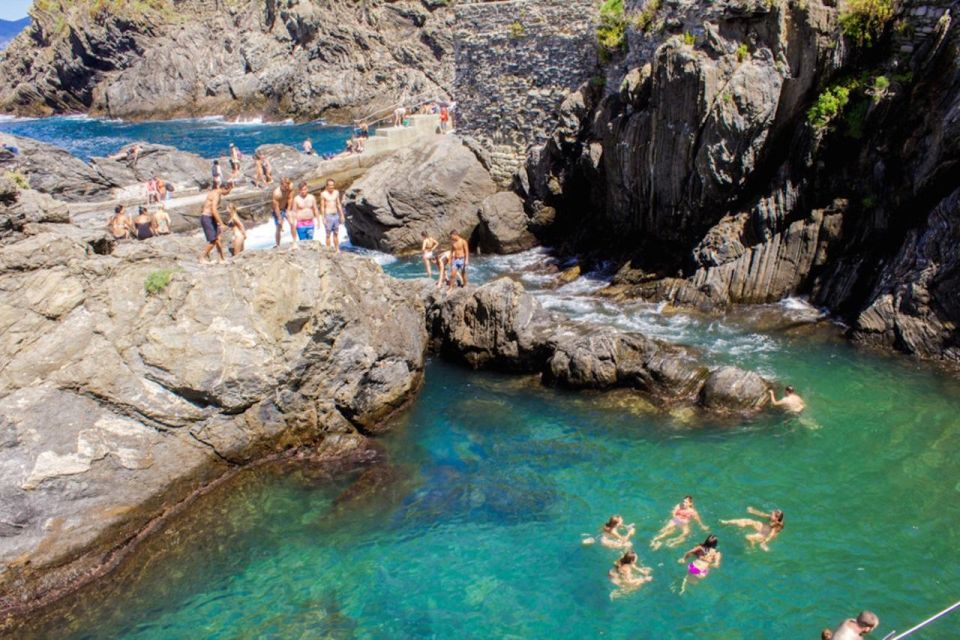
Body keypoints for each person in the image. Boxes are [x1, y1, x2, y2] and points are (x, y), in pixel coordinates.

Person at [720, 507, 785, 551]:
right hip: (764, 527)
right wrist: (753, 511)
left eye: (772, 514)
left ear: (776, 518)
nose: (770, 515)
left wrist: (764, 542)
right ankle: (727, 522)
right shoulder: (771, 518)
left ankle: (752, 548)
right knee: (748, 521)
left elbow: (772, 535)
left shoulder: (777, 526)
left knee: (747, 537)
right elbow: (762, 514)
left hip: (766, 533)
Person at [199, 184, 232, 263]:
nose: (228, 193)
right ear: (224, 188)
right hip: (207, 218)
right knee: (213, 240)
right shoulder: (216, 195)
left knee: (218, 239)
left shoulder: (214, 192)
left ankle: (221, 258)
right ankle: (201, 258)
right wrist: (221, 223)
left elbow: (207, 205)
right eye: (229, 191)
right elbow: (214, 210)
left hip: (210, 218)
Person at [319, 179, 345, 253]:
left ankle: (337, 249)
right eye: (330, 185)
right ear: (327, 186)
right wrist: (323, 217)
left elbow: (338, 204)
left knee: (336, 233)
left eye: (333, 185)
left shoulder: (336, 192)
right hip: (328, 216)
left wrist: (342, 215)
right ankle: (328, 250)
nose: (331, 187)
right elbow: (322, 206)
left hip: (336, 215)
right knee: (328, 234)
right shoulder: (323, 194)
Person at [271, 177, 295, 248]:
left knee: (292, 223)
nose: (286, 187)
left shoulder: (290, 187)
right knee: (279, 226)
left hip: (285, 207)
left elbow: (290, 198)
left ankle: (294, 241)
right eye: (285, 186)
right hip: (277, 210)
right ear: (281, 185)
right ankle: (278, 244)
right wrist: (279, 218)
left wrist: (288, 209)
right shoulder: (276, 193)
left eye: (287, 185)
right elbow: (276, 207)